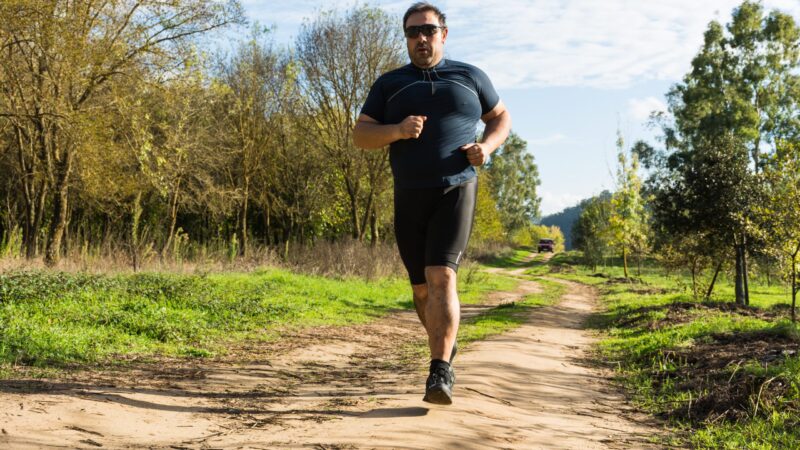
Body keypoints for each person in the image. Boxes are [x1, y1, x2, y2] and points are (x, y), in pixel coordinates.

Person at [352, 2, 511, 405]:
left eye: (427, 30)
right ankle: (444, 343)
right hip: (409, 193)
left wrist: (487, 148)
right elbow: (361, 136)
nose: (420, 38)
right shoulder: (390, 84)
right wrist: (398, 130)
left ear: (443, 33)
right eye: (412, 32)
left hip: (456, 187)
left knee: (442, 276)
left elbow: (501, 117)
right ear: (406, 38)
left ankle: (440, 371)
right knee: (421, 289)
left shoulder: (470, 76)